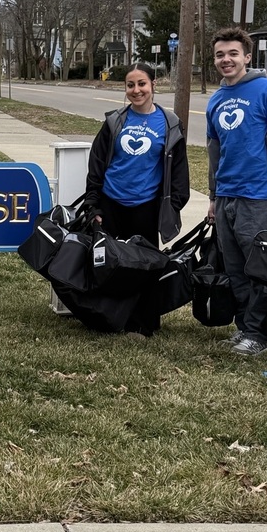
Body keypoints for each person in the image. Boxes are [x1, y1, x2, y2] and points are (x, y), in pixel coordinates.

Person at [205, 27, 267, 356]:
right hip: (227, 196)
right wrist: (213, 197)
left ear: (247, 56)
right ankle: (245, 327)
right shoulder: (216, 99)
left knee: (260, 268)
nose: (226, 60)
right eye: (220, 54)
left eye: (233, 53)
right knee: (234, 269)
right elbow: (214, 151)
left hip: (257, 195)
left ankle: (259, 334)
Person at [85, 62, 190, 335]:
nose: (136, 90)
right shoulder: (114, 122)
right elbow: (97, 165)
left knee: (145, 267)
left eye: (142, 84)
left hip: (146, 207)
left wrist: (173, 205)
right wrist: (94, 203)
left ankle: (144, 322)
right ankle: (110, 319)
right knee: (110, 265)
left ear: (153, 85)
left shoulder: (169, 124)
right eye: (130, 85)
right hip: (111, 203)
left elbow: (179, 171)